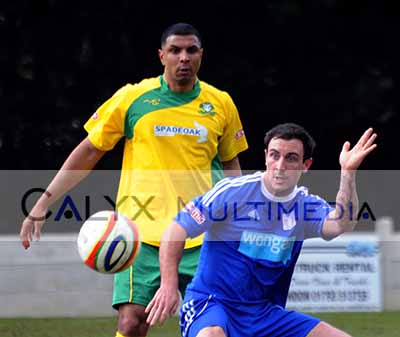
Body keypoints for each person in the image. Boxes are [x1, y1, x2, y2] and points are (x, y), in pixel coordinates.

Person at [19, 22, 248, 337]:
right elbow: (88, 152)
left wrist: (242, 219)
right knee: (131, 322)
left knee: (215, 326)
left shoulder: (220, 103)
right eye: (175, 50)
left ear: (201, 55)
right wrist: (44, 201)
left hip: (202, 234)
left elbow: (231, 168)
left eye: (191, 50)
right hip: (139, 234)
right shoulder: (133, 98)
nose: (184, 57)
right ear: (161, 55)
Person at [145, 123, 377, 337]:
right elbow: (177, 228)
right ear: (266, 156)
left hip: (264, 314)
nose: (280, 166)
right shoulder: (233, 192)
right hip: (212, 304)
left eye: (291, 158)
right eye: (274, 155)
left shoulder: (305, 205)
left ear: (306, 166)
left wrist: (347, 173)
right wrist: (168, 284)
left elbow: (340, 224)